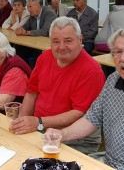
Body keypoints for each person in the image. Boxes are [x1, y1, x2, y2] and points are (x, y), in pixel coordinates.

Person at [10, 16, 105, 154]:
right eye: (56, 41)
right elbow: (31, 93)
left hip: (74, 139)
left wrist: (38, 122)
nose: (61, 47)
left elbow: (79, 114)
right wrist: (21, 123)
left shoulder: (92, 71)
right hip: (40, 127)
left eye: (68, 41)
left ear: (80, 40)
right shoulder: (44, 57)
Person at [45, 28, 124, 170]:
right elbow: (92, 118)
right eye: (118, 52)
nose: (122, 58)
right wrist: (62, 134)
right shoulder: (113, 80)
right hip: (107, 162)